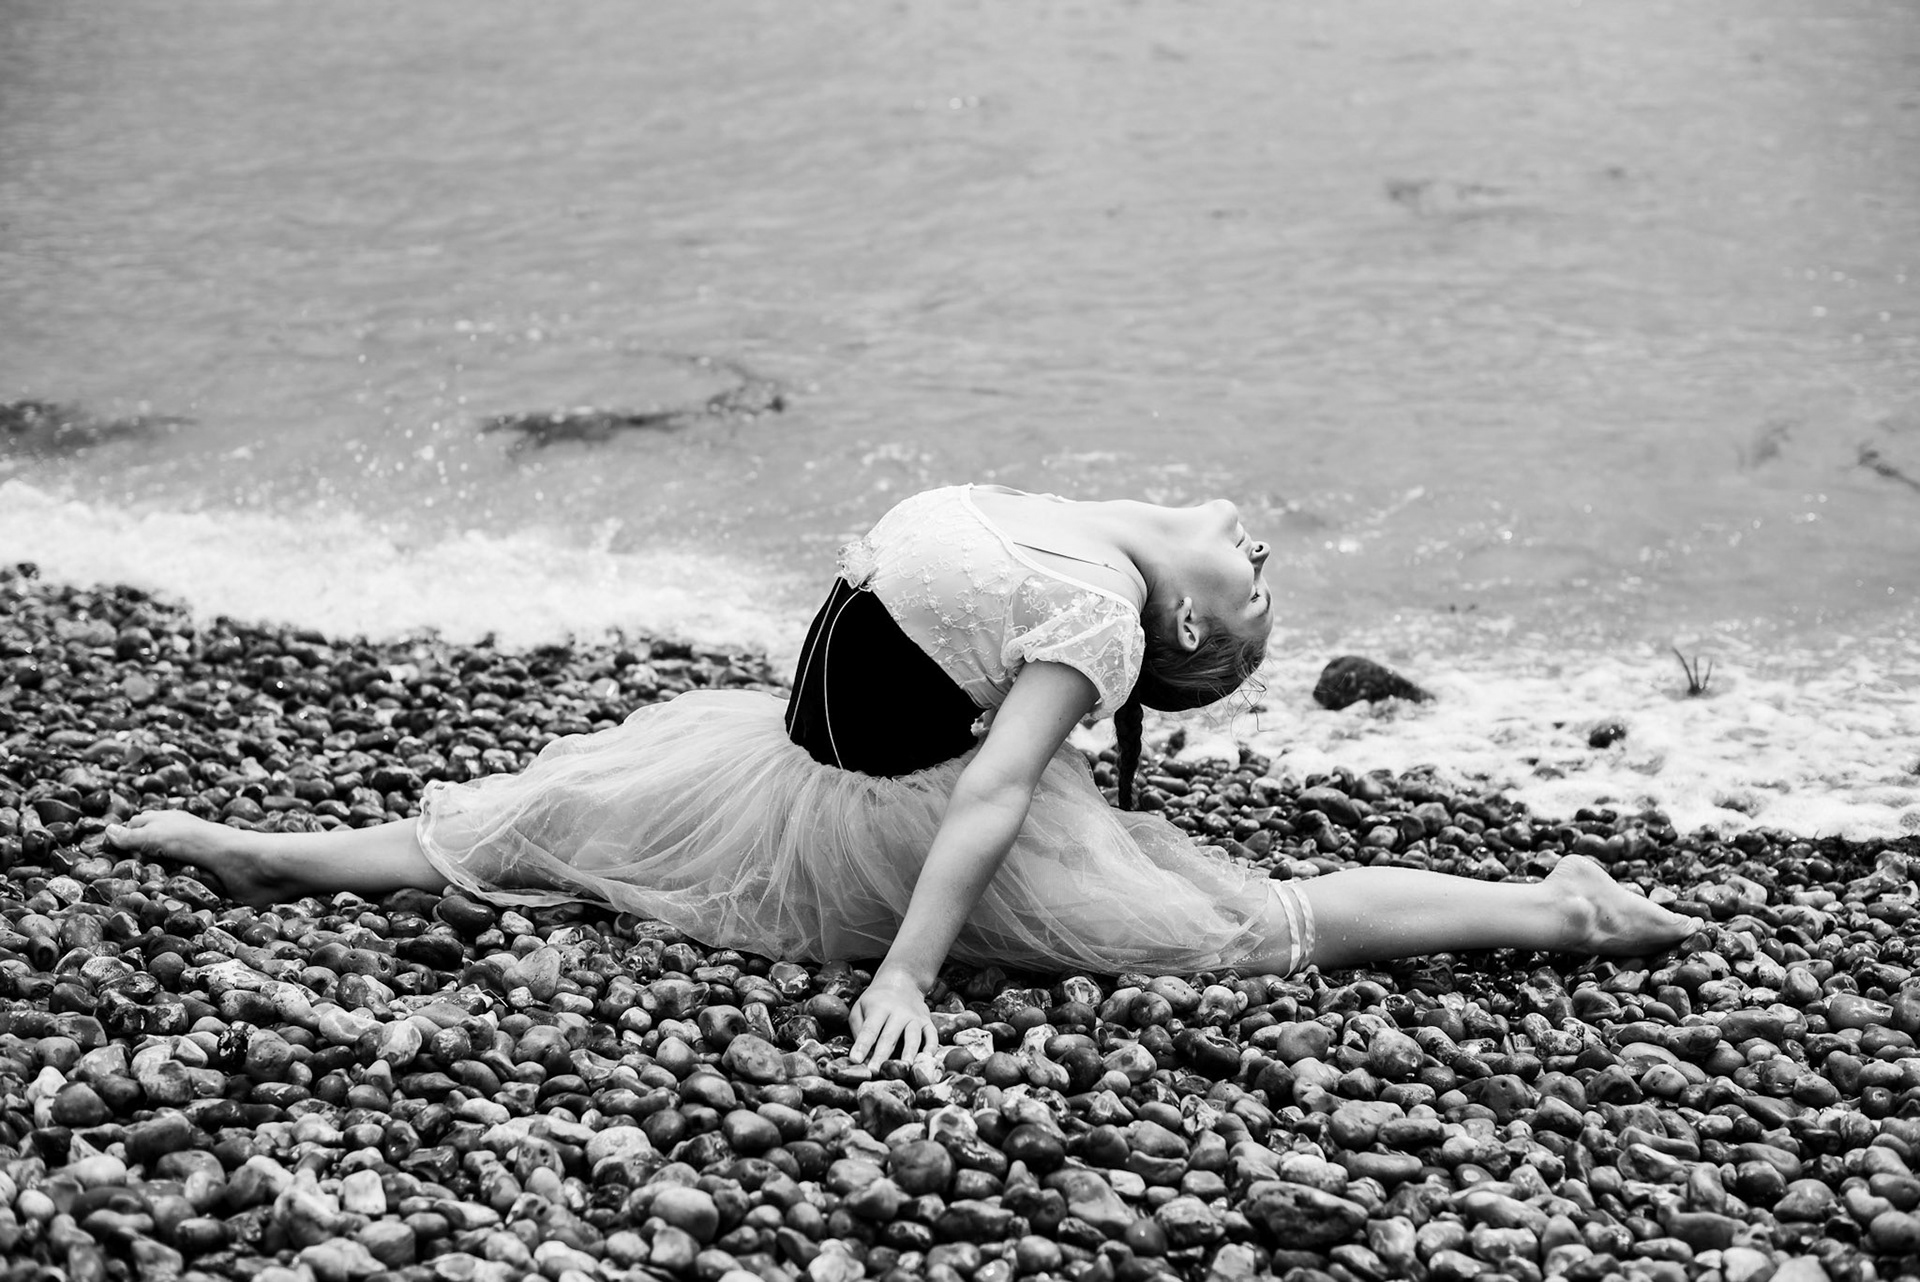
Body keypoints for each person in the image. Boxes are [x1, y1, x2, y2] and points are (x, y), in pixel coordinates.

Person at [107, 484, 1691, 1064]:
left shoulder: (1103, 616)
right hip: (787, 764)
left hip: (904, 818)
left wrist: (911, 972)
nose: (1263, 554)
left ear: (1188, 624)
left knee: (1245, 927)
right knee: (552, 818)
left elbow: (996, 791)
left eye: (1256, 593)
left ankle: (1556, 909)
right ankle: (268, 850)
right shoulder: (1072, 520)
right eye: (1270, 582)